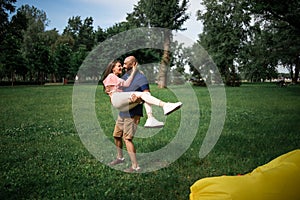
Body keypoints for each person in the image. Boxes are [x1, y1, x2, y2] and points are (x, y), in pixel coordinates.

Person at [103, 56, 181, 172]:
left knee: (127, 138)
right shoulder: (124, 77)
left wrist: (138, 101)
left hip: (133, 112)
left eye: (125, 64)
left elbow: (146, 95)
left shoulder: (140, 77)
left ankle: (135, 166)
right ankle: (120, 157)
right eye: (121, 64)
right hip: (123, 111)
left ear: (133, 64)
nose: (123, 66)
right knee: (116, 135)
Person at [102, 59, 182, 128]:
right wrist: (133, 71)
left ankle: (150, 118)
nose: (121, 67)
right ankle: (165, 105)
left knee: (145, 97)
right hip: (117, 99)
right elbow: (126, 84)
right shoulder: (111, 76)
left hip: (122, 106)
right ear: (113, 68)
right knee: (143, 94)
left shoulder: (116, 78)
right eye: (119, 66)